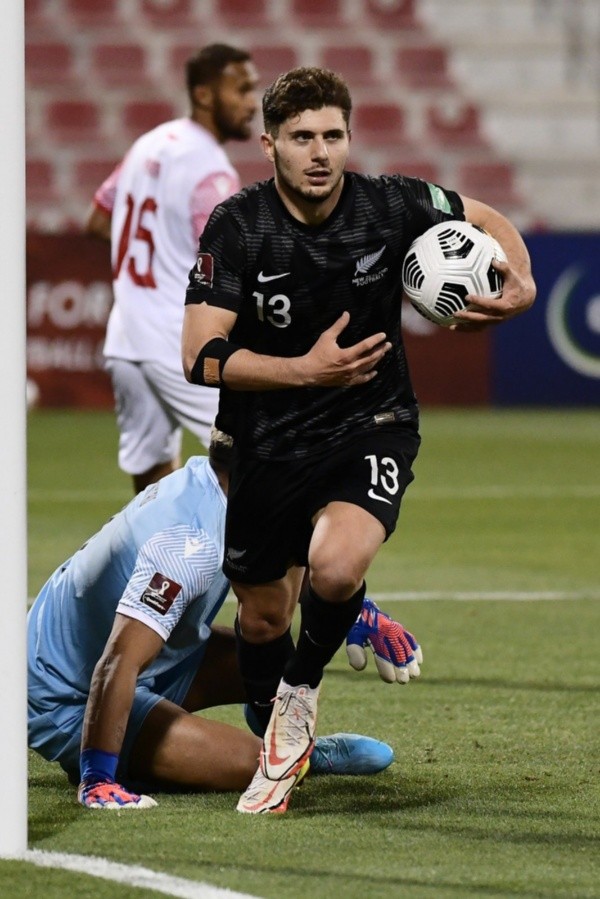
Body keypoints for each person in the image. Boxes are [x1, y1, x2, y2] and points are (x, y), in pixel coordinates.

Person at [181, 66, 537, 814]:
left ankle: (298, 702)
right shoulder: (238, 226)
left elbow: (483, 214)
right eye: (303, 137)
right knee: (264, 616)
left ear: (349, 138)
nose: (320, 152)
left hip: (371, 423)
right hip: (265, 439)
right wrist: (304, 370)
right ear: (269, 142)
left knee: (336, 569)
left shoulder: (390, 203)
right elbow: (200, 355)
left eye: (333, 136)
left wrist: (523, 280)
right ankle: (271, 720)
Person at [28, 429, 423, 813]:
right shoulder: (188, 546)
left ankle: (286, 740)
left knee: (277, 659)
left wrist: (356, 609)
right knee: (253, 767)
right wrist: (98, 778)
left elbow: (286, 555)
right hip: (69, 694)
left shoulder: (215, 485)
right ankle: (101, 758)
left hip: (155, 657)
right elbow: (117, 662)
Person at [85, 44, 259, 493]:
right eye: (240, 89)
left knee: (151, 478)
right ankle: (272, 564)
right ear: (204, 95)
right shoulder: (212, 171)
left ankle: (160, 563)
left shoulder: (149, 144)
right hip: (176, 340)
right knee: (261, 455)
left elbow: (99, 219)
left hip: (125, 337)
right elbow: (230, 263)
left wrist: (161, 257)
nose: (250, 101)